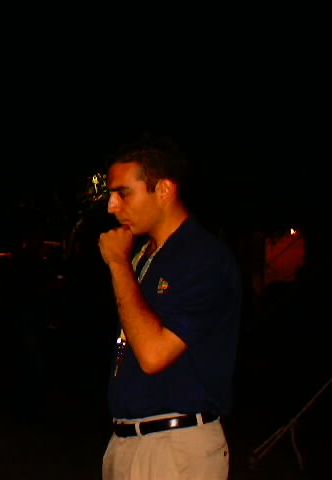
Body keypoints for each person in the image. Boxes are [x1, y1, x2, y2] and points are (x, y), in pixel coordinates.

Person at [98, 136, 241, 480]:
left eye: (123, 193)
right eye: (111, 195)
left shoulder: (203, 259)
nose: (112, 207)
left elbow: (154, 355)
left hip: (175, 447)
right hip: (128, 439)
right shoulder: (146, 255)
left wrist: (118, 264)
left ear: (163, 189)